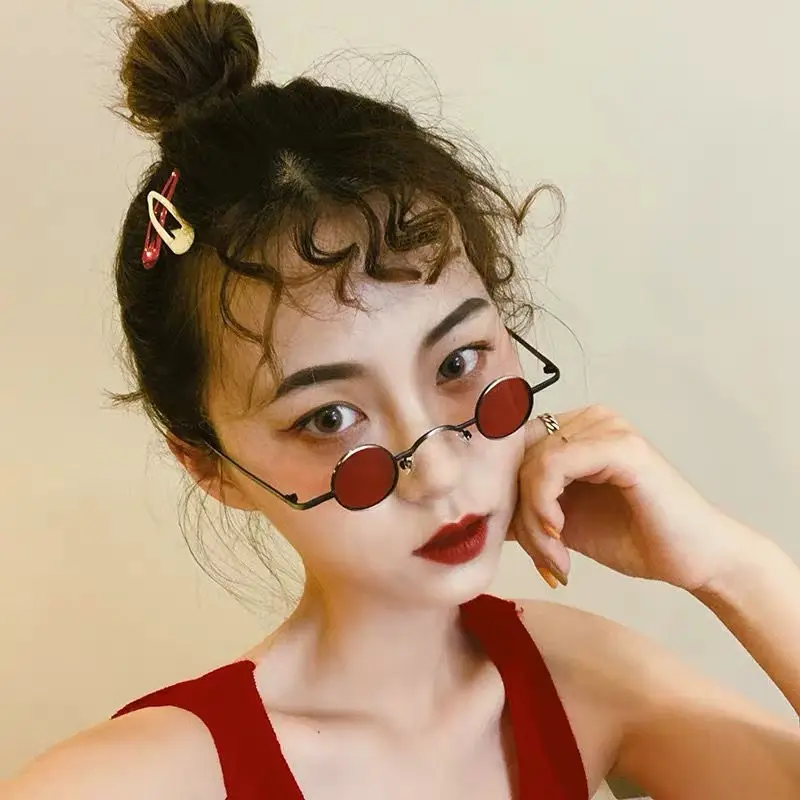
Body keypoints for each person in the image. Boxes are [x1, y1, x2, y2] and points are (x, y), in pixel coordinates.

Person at [6, 1, 800, 798]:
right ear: (207, 465)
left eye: (458, 363)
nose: (439, 472)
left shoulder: (578, 677)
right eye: (329, 418)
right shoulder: (132, 780)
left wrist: (730, 567)